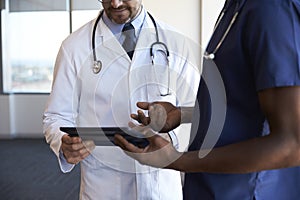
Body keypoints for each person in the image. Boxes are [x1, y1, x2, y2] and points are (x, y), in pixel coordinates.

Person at [114, 0, 300, 199]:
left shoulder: (271, 9)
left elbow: (292, 144)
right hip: (212, 188)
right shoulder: (236, 7)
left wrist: (178, 160)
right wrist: (181, 114)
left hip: (247, 191)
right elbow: (243, 103)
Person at [43, 0, 200, 199]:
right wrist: (63, 143)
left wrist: (171, 139)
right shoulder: (74, 47)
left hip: (161, 184)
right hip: (104, 185)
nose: (115, 3)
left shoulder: (175, 43)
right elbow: (56, 115)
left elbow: (195, 112)